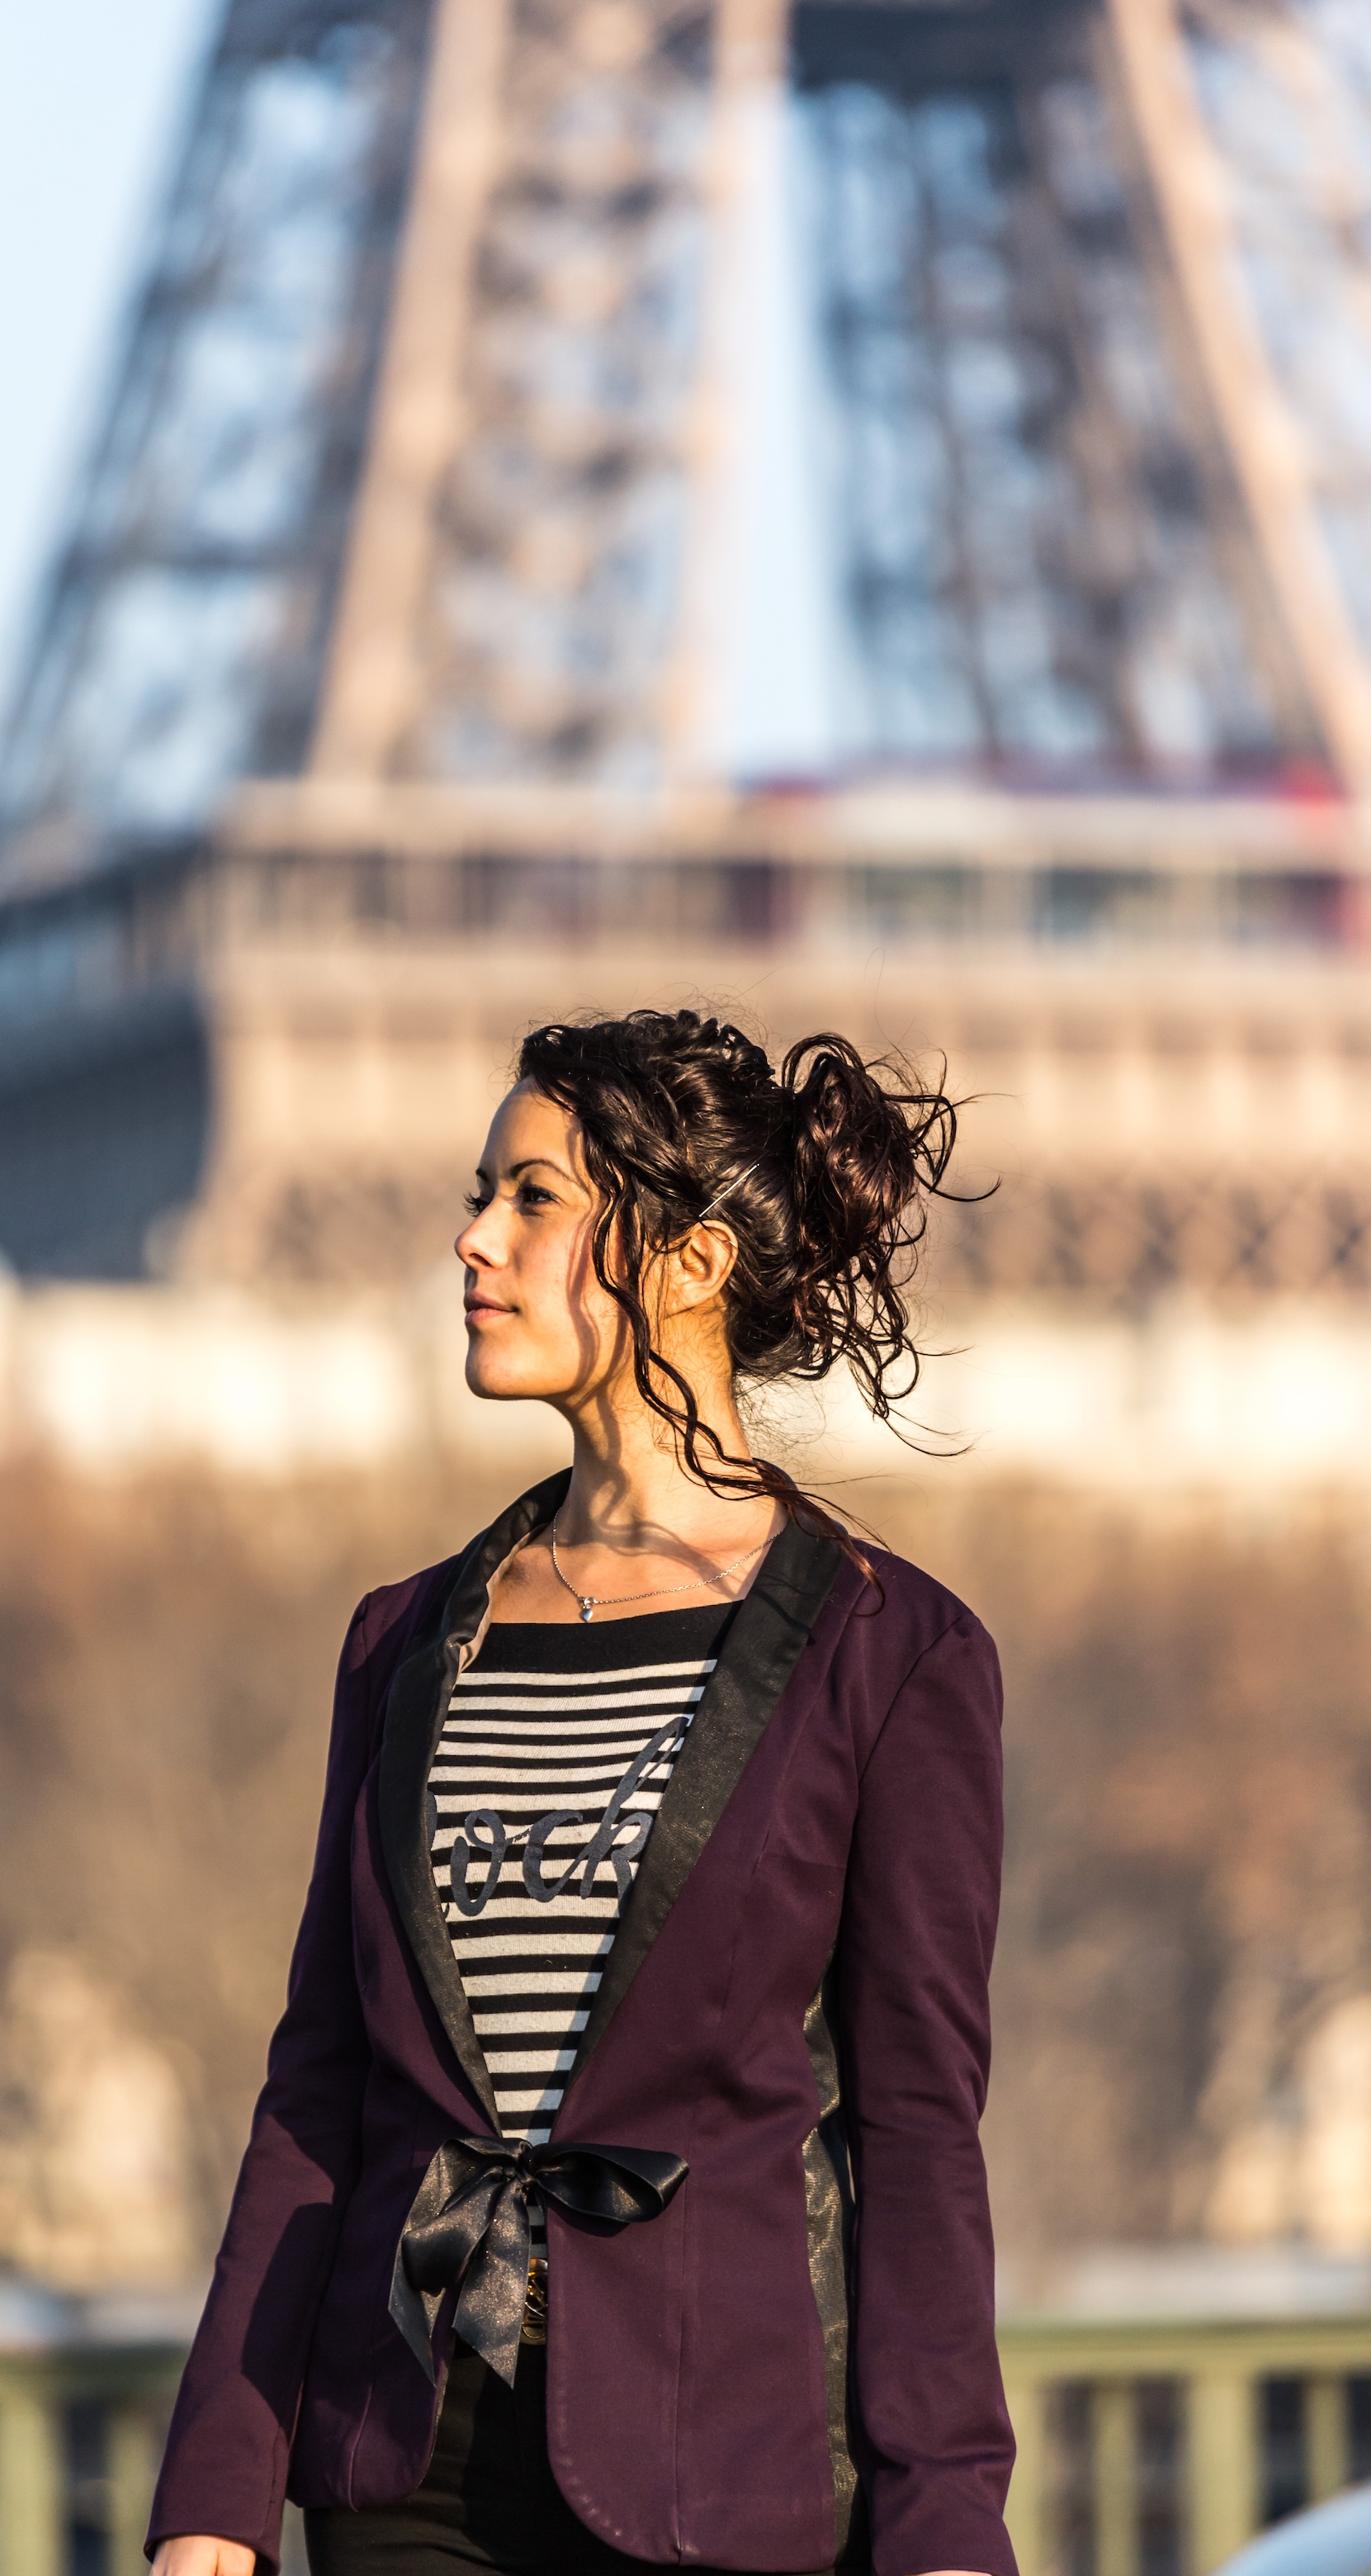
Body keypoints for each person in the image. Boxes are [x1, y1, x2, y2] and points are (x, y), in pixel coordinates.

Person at [148, 1009, 1016, 2576]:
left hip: (720, 2473)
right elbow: (319, 2089)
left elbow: (915, 2130)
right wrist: (220, 2480)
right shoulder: (405, 1642)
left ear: (686, 1263)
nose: (473, 1240)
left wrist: (946, 2517)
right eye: (480, 1193)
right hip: (401, 2461)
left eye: (533, 1197)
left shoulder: (893, 1658)